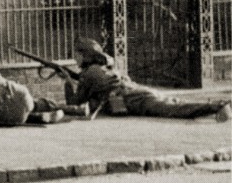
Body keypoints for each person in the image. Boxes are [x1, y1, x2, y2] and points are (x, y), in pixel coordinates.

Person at [71, 38, 231, 121]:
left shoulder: (89, 73)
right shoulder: (100, 68)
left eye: (76, 54)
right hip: (136, 92)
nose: (74, 58)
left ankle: (217, 106)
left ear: (85, 55)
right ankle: (217, 105)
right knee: (175, 103)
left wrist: (68, 82)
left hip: (133, 98)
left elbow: (77, 102)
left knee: (173, 109)